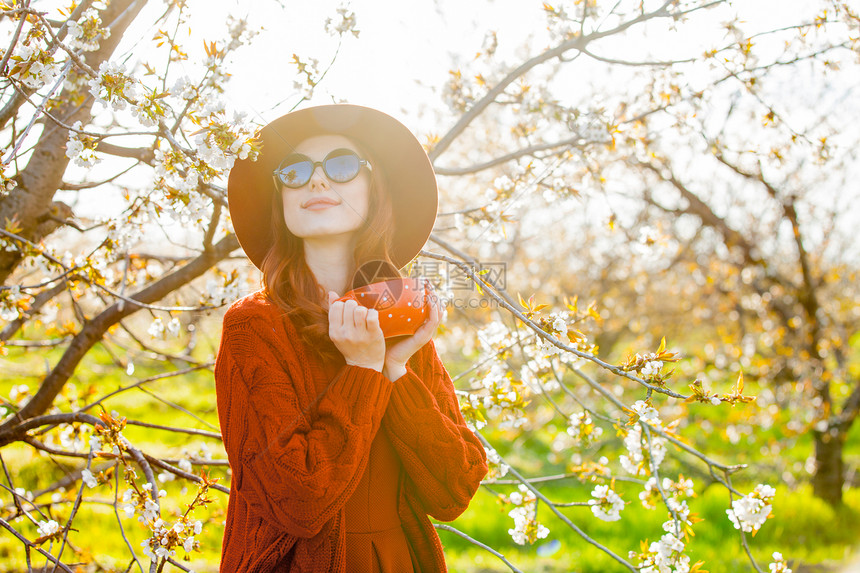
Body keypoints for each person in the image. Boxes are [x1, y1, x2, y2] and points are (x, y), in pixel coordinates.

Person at [215, 104, 488, 572]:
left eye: (341, 166)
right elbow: (298, 501)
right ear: (281, 199)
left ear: (374, 189)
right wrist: (363, 371)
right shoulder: (254, 327)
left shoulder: (405, 319)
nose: (317, 182)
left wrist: (397, 371)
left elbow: (453, 489)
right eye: (295, 172)